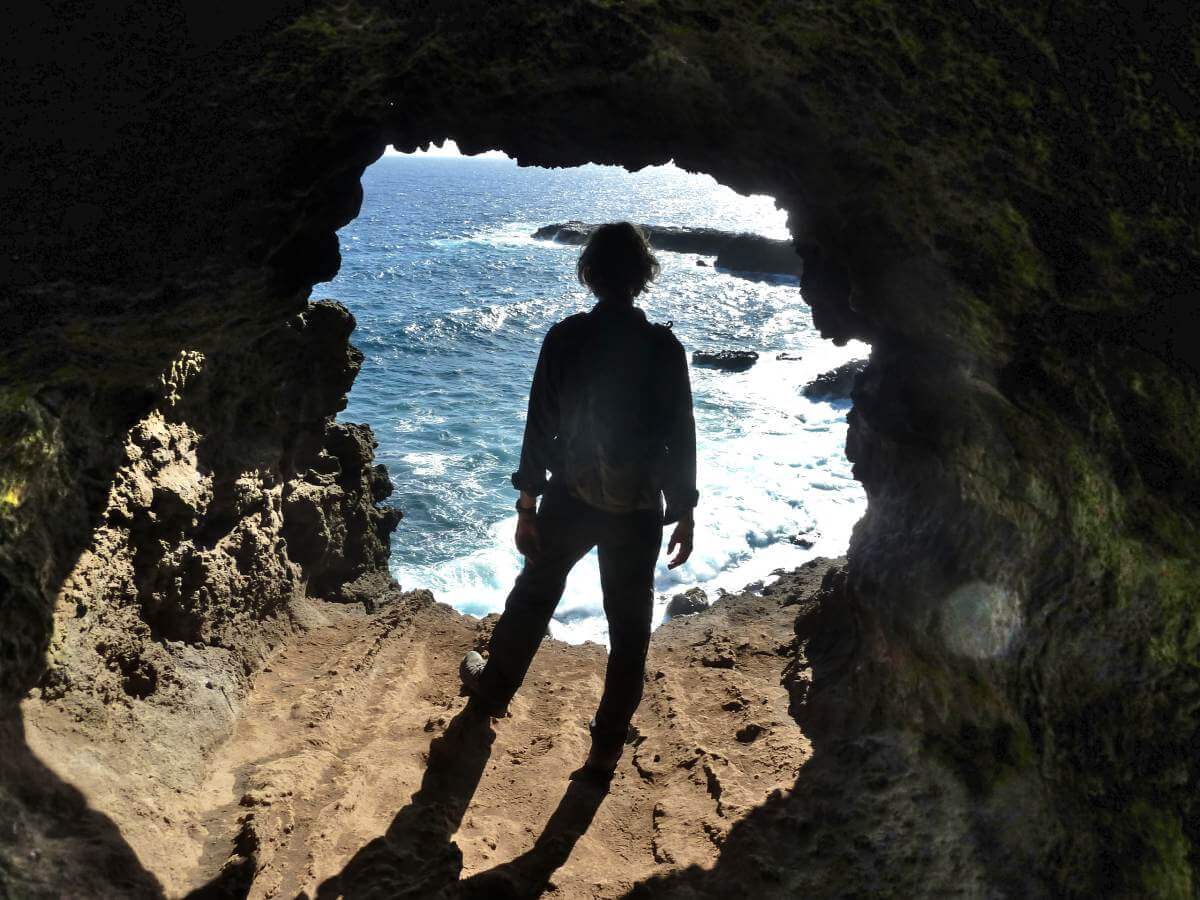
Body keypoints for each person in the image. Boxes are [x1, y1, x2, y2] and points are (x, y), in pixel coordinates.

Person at [460, 221, 698, 780]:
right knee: (629, 624)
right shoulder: (664, 347)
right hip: (638, 508)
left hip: (570, 495)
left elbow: (539, 425)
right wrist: (684, 509)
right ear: (644, 277)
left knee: (533, 596)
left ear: (588, 274)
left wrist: (526, 505)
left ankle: (491, 695)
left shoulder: (565, 337)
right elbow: (679, 434)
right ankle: (608, 743)